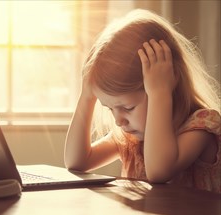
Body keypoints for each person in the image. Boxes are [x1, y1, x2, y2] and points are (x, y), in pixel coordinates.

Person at [64, 9, 220, 193]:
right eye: (109, 109)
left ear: (169, 84)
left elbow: (159, 171)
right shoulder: (130, 137)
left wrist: (160, 92)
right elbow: (76, 162)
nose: (118, 121)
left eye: (127, 108)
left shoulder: (201, 126)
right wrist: (87, 95)